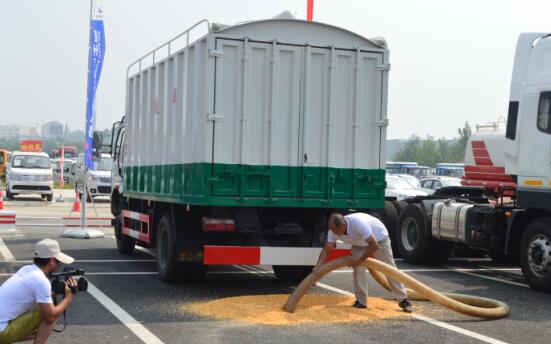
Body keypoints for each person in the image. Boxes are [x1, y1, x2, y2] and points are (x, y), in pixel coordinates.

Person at [314, 212, 413, 313]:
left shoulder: (358, 223)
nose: (333, 233)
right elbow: (328, 249)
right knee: (358, 270)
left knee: (389, 269)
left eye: (335, 231)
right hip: (359, 244)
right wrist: (318, 267)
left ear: (343, 226)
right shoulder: (334, 230)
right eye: (332, 230)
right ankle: (361, 301)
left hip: (379, 239)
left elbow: (374, 245)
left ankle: (403, 300)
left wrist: (359, 260)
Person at [0, 239, 77, 344]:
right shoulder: (41, 280)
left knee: (42, 323)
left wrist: (53, 294)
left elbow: (34, 300)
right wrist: (68, 298)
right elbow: (50, 317)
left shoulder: (26, 269)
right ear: (52, 261)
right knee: (52, 316)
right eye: (59, 261)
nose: (60, 264)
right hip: (2, 332)